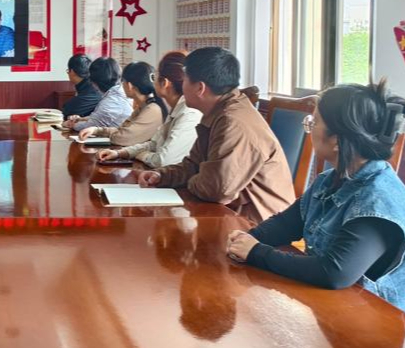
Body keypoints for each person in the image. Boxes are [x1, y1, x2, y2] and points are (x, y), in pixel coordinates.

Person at [226, 81, 405, 311]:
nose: (309, 128)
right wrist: (247, 239)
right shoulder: (330, 179)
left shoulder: (378, 199)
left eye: (315, 122)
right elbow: (286, 224)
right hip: (336, 306)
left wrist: (256, 252)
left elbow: (334, 272)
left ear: (337, 140)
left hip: (378, 319)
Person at [139, 47, 294, 223]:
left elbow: (217, 189)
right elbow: (193, 165)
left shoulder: (233, 122)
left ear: (200, 88)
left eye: (185, 80)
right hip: (229, 213)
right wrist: (162, 176)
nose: (182, 86)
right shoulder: (218, 112)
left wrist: (195, 178)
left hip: (258, 224)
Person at [99, 51, 202, 167]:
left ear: (165, 83)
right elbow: (154, 144)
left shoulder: (189, 114)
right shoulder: (176, 109)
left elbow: (162, 160)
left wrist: (141, 155)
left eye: (154, 77)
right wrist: (121, 153)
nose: (152, 81)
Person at [77, 61, 166, 146]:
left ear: (129, 85)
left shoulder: (152, 109)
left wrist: (103, 132)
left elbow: (124, 138)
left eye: (123, 82)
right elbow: (122, 130)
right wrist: (96, 130)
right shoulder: (144, 106)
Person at [62, 57, 132, 132]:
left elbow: (90, 126)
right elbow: (99, 118)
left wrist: (71, 124)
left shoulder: (111, 102)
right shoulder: (120, 92)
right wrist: (81, 119)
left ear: (94, 81)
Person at [62, 54, 101, 119]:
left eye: (68, 71)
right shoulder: (95, 86)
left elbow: (67, 110)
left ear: (72, 71)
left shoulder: (89, 93)